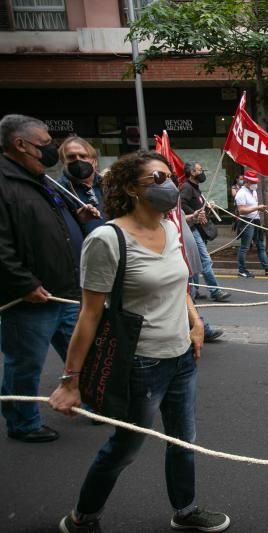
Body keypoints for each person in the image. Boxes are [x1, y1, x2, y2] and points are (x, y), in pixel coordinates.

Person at [48, 151, 231, 533]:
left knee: (185, 441)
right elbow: (89, 315)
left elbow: (178, 283)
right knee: (125, 447)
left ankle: (185, 510)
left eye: (168, 176)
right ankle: (83, 517)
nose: (168, 185)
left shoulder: (169, 226)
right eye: (157, 178)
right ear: (131, 188)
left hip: (182, 356)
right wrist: (70, 381)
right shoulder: (106, 238)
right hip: (139, 364)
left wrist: (196, 323)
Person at [0, 114, 99, 443]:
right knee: (25, 363)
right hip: (33, 297)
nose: (50, 150)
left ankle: (90, 402)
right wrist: (23, 283)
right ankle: (23, 422)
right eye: (44, 144)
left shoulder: (42, 179)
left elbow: (51, 223)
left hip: (66, 291)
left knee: (81, 353)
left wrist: (77, 215)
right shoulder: (5, 183)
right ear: (21, 144)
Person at [180, 162, 231, 302]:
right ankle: (215, 291)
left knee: (194, 261)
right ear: (192, 173)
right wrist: (195, 215)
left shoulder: (195, 189)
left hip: (198, 230)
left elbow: (197, 206)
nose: (203, 172)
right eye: (200, 170)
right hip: (192, 229)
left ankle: (193, 290)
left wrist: (207, 207)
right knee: (205, 260)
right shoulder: (186, 187)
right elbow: (181, 204)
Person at [234, 170, 268, 278]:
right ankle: (242, 270)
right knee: (244, 247)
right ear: (246, 181)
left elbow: (252, 206)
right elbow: (241, 211)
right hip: (246, 222)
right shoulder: (241, 194)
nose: (255, 184)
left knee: (261, 246)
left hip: (256, 220)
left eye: (256, 182)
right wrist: (257, 207)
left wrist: (259, 209)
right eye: (252, 182)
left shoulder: (253, 191)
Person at [57, 135, 106, 233]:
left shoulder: (109, 185)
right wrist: (77, 220)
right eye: (71, 157)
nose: (77, 160)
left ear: (94, 161)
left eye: (83, 156)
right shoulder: (57, 191)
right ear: (64, 162)